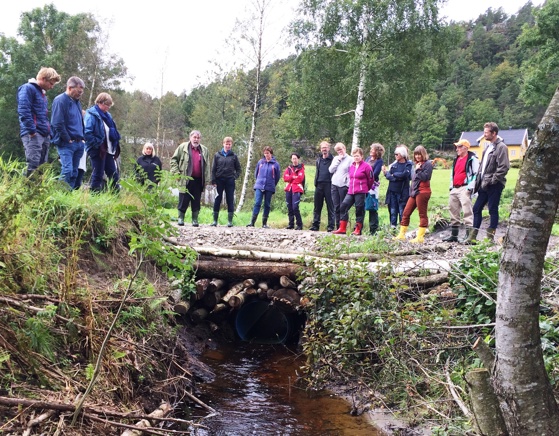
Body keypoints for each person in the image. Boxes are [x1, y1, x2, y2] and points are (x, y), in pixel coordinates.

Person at [466, 122, 510, 243]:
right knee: (476, 208)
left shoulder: (501, 147)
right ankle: (472, 237)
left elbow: (504, 167)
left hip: (494, 184)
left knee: (492, 209)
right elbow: (482, 168)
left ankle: (490, 238)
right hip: (483, 184)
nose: (484, 134)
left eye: (486, 132)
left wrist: (492, 180)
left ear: (494, 133)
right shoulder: (488, 147)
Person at [17, 67, 61, 177]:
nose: (52, 87)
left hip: (44, 134)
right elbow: (23, 110)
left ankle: (37, 192)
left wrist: (49, 133)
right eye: (51, 83)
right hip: (33, 134)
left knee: (42, 166)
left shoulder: (42, 94)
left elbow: (43, 116)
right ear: (42, 78)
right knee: (33, 164)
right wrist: (32, 131)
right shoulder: (27, 88)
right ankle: (26, 191)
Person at [50, 76, 85, 188]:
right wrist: (67, 138)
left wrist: (83, 137)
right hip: (66, 143)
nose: (80, 94)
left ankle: (69, 196)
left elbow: (80, 120)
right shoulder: (60, 100)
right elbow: (57, 122)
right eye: (78, 91)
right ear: (70, 88)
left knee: (74, 172)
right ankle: (59, 194)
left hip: (79, 143)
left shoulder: (77, 102)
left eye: (82, 91)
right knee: (67, 170)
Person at [170, 130, 211, 226]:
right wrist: (176, 173)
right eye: (194, 137)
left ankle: (195, 220)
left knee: (196, 200)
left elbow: (207, 166)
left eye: (198, 138)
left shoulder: (204, 150)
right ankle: (180, 218)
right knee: (183, 199)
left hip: (198, 180)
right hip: (185, 178)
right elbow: (173, 160)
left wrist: (208, 180)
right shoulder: (182, 147)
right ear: (190, 138)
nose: (196, 139)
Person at [442, 139, 479, 243]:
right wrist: (451, 187)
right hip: (455, 187)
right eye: (457, 147)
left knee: (467, 211)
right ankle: (454, 236)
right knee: (453, 210)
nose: (457, 149)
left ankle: (469, 237)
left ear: (465, 148)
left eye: (459, 146)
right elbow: (453, 174)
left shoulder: (472, 159)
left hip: (465, 187)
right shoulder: (456, 159)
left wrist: (470, 188)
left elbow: (476, 174)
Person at [394, 146, 433, 243]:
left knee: (422, 214)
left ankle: (420, 237)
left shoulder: (428, 164)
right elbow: (414, 179)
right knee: (406, 212)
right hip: (414, 192)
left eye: (419, 154)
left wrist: (418, 170)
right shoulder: (416, 164)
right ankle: (401, 234)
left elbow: (425, 177)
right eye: (416, 154)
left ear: (423, 154)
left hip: (423, 192)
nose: (418, 156)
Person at [84, 93, 121, 193]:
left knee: (113, 174)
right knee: (98, 174)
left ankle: (116, 197)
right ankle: (94, 196)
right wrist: (96, 144)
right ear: (100, 102)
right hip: (97, 149)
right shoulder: (91, 114)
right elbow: (87, 132)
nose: (108, 107)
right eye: (106, 105)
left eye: (109, 105)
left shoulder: (108, 116)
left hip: (108, 150)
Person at [332, 147, 373, 236]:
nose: (356, 158)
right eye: (354, 156)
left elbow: (371, 179)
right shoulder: (352, 166)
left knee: (359, 209)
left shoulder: (366, 166)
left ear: (362, 156)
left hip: (361, 191)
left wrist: (365, 188)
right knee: (343, 207)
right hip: (351, 191)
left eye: (358, 156)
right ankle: (342, 228)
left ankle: (358, 229)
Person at [210, 136, 241, 227]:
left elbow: (239, 169)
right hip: (219, 180)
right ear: (223, 144)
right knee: (217, 200)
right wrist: (213, 180)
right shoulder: (217, 155)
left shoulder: (234, 156)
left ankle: (230, 221)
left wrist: (234, 177)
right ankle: (215, 221)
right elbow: (213, 169)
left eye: (229, 144)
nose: (228, 146)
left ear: (231, 145)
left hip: (230, 181)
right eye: (226, 144)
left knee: (230, 200)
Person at [247, 146, 281, 228]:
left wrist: (272, 184)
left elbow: (277, 176)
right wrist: (259, 181)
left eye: (268, 153)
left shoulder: (275, 164)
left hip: (269, 186)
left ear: (271, 154)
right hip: (259, 185)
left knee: (267, 204)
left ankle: (264, 223)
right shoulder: (260, 162)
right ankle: (252, 222)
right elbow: (256, 173)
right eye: (265, 153)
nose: (266, 155)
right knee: (257, 203)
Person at [383, 146, 413, 229]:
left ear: (402, 154)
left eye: (397, 154)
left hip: (403, 192)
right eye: (395, 154)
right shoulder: (394, 165)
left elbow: (405, 175)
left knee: (402, 211)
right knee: (393, 211)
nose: (395, 155)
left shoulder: (408, 164)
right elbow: (388, 176)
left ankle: (402, 229)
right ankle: (393, 228)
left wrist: (394, 175)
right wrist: (394, 176)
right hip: (392, 191)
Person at [310, 141, 335, 231]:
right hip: (319, 184)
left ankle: (331, 226)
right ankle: (315, 225)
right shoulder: (319, 160)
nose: (324, 149)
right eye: (322, 148)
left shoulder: (333, 159)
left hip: (329, 184)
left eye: (325, 147)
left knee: (330, 206)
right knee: (317, 206)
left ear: (329, 148)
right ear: (320, 149)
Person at [329, 142, 351, 231]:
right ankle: (338, 226)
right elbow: (331, 170)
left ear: (344, 148)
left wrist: (348, 184)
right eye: (337, 150)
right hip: (335, 184)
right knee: (336, 206)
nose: (339, 152)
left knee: (343, 206)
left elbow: (351, 173)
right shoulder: (335, 159)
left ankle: (343, 227)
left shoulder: (350, 159)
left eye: (340, 149)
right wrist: (338, 160)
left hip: (344, 185)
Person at [365, 143, 385, 235]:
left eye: (372, 149)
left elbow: (375, 173)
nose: (370, 151)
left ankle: (373, 229)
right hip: (364, 185)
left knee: (372, 206)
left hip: (372, 186)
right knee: (362, 205)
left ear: (377, 151)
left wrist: (365, 175)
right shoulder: (368, 159)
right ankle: (358, 227)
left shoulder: (379, 161)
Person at [283, 153, 305, 230]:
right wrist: (293, 176)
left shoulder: (301, 168)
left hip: (297, 189)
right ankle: (291, 224)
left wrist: (291, 177)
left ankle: (299, 224)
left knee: (295, 207)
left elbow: (300, 179)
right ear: (291, 159)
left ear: (298, 159)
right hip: (289, 189)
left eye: (295, 158)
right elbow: (285, 178)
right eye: (293, 158)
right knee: (289, 207)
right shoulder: (288, 168)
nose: (294, 160)